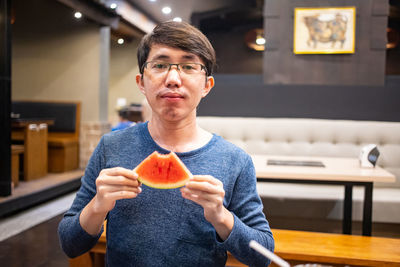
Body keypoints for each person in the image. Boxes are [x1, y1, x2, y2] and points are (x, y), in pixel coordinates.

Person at [58, 21, 274, 266]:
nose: (173, 78)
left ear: (207, 85)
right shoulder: (111, 146)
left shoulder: (235, 160)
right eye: (160, 65)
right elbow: (70, 244)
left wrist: (221, 217)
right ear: (141, 82)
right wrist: (98, 206)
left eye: (188, 66)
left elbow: (263, 255)